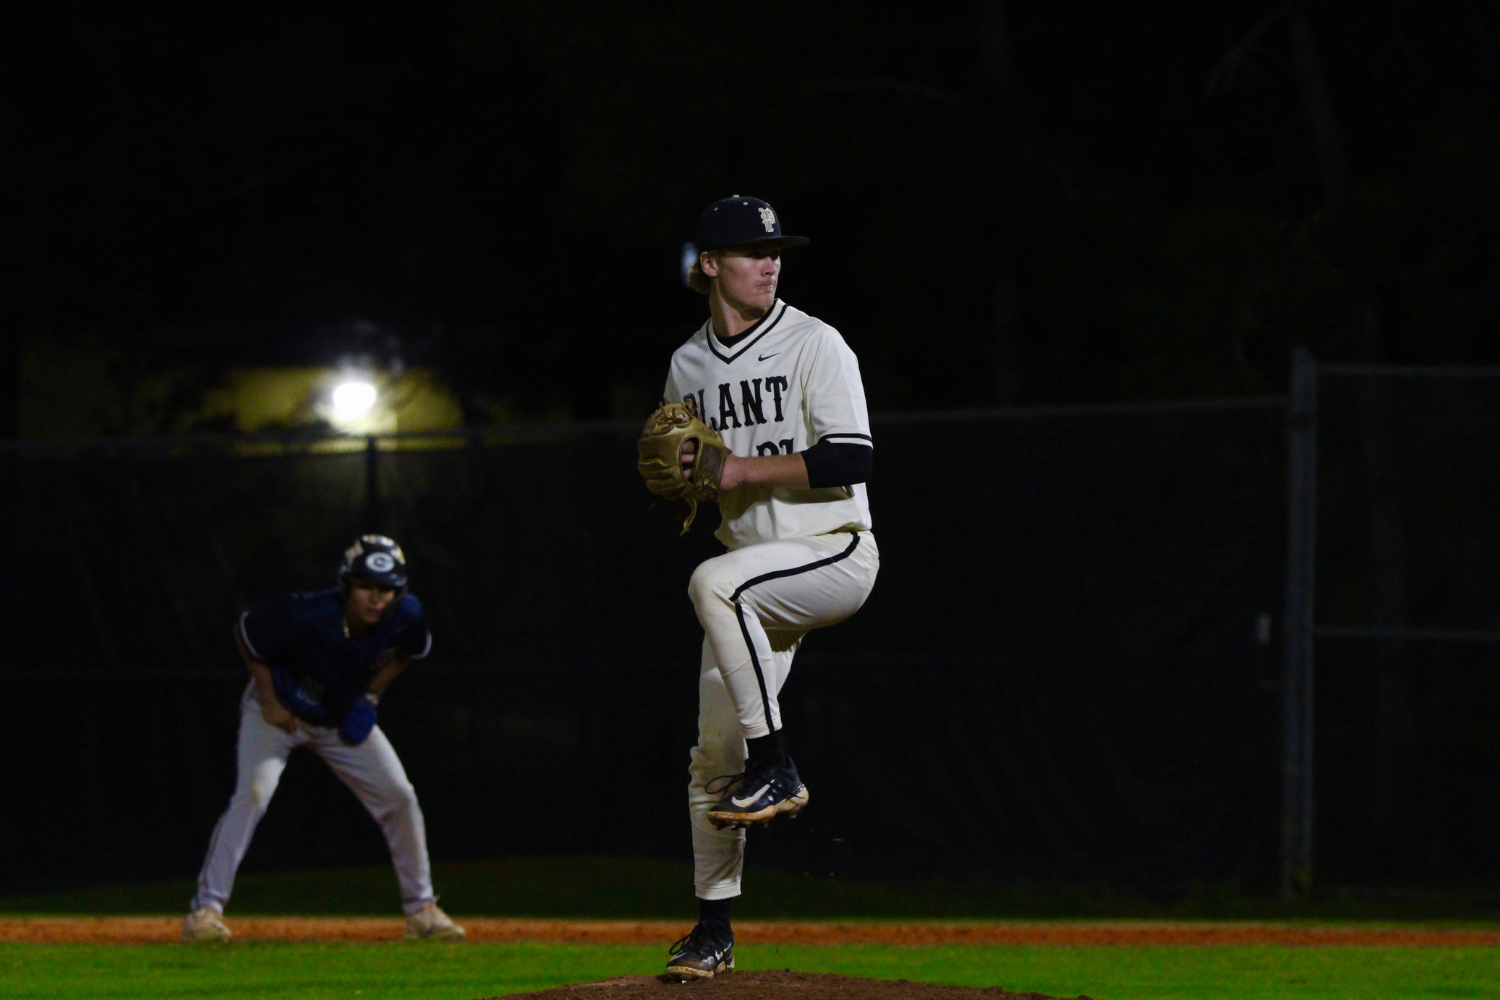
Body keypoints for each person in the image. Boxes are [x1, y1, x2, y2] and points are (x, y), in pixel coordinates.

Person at [659, 196, 879, 980]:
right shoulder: (687, 365)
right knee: (711, 756)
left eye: (776, 249)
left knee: (713, 582)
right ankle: (712, 930)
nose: (771, 261)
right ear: (711, 264)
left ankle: (777, 762)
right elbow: (695, 477)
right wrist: (686, 478)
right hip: (751, 581)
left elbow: (853, 457)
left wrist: (742, 470)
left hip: (830, 553)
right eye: (753, 250)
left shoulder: (816, 343)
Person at [181, 535, 465, 943]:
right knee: (255, 793)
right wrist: (269, 698)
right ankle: (204, 913)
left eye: (386, 589)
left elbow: (408, 652)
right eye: (367, 586)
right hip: (279, 713)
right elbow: (247, 637)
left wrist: (371, 696)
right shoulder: (305, 612)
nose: (376, 598)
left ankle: (422, 911)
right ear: (347, 585)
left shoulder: (406, 614)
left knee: (400, 795)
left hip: (337, 716)